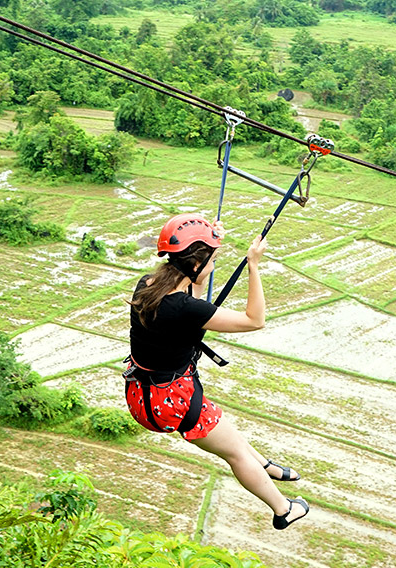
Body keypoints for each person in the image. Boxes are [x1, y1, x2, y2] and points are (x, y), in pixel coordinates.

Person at [123, 213, 310, 530]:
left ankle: (265, 466)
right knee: (235, 453)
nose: (212, 268)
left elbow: (193, 284)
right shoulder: (185, 309)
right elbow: (255, 320)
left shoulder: (150, 284)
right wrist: (253, 264)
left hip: (145, 393)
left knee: (226, 429)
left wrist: (211, 243)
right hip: (169, 402)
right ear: (195, 264)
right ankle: (283, 509)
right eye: (211, 262)